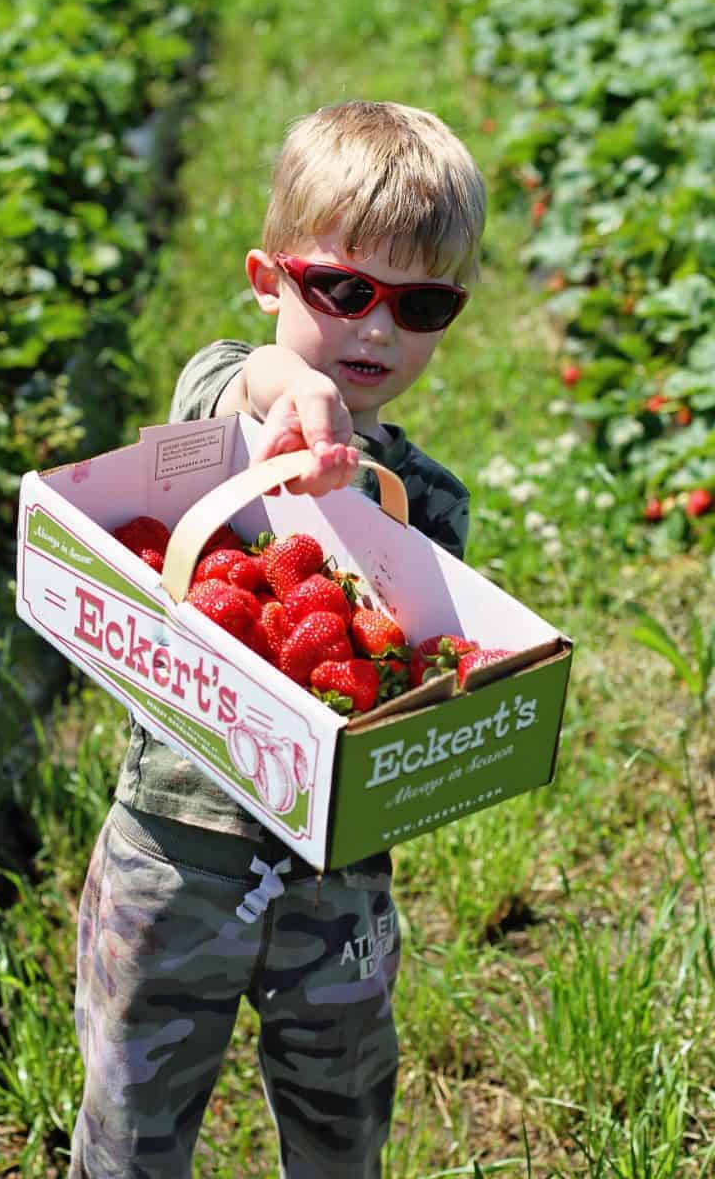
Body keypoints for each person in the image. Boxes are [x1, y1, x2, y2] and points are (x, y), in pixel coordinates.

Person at [69, 99, 486, 1179]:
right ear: (269, 281)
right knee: (132, 1115)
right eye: (340, 290)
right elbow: (231, 376)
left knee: (343, 1106)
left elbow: (420, 666)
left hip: (334, 871)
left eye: (421, 303)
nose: (376, 330)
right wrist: (284, 389)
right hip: (175, 854)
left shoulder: (425, 504)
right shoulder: (227, 408)